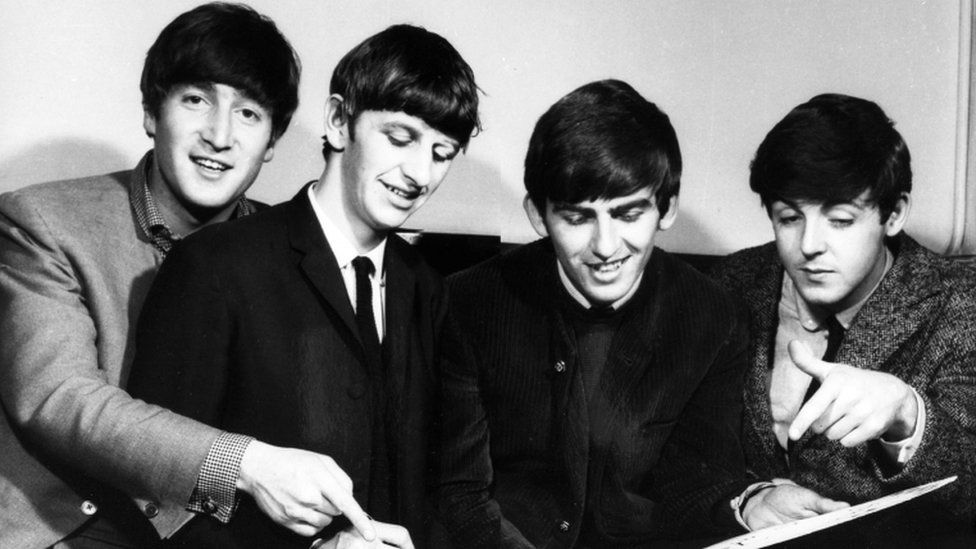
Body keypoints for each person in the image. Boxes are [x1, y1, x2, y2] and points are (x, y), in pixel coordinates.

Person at [0, 3, 379, 547]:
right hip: (72, 526)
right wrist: (244, 463)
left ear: (272, 142)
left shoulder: (293, 249)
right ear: (153, 113)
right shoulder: (43, 221)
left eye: (249, 113)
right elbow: (59, 399)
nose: (219, 135)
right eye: (196, 100)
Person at [125, 24, 481, 548]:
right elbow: (155, 491)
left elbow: (443, 485)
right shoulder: (215, 263)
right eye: (399, 138)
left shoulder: (428, 287)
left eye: (442, 153)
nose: (418, 173)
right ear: (339, 122)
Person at [434, 79, 762, 548]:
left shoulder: (716, 317)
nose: (606, 247)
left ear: (666, 208)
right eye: (577, 217)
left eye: (628, 214)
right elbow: (460, 493)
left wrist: (750, 502)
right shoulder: (467, 303)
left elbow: (697, 485)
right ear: (538, 216)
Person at [712, 93, 976, 544]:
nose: (810, 244)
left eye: (839, 219)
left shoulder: (960, 305)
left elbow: (969, 486)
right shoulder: (731, 284)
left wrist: (909, 415)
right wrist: (749, 499)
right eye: (789, 217)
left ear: (893, 214)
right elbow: (684, 453)